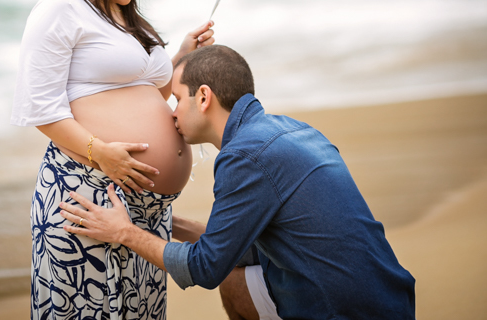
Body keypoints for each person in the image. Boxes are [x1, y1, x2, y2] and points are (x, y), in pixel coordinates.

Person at [59, 45, 416, 320]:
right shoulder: (290, 131)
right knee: (239, 275)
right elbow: (244, 251)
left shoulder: (245, 155)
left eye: (178, 99)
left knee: (227, 274)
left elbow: (205, 267)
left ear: (203, 97)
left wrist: (125, 233)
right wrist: (169, 223)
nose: (172, 112)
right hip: (390, 302)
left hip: (342, 313)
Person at [10, 0, 214, 320]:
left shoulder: (128, 18)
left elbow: (148, 97)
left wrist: (179, 58)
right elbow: (41, 108)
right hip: (86, 193)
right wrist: (99, 153)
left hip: (145, 213)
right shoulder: (60, 10)